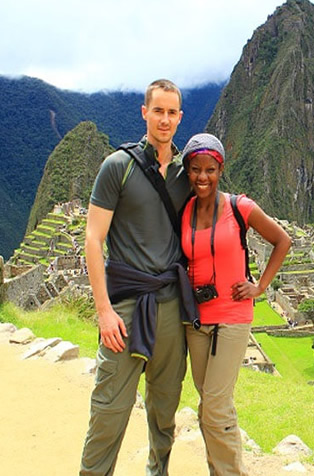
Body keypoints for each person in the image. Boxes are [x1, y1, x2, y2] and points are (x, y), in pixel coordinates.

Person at [80, 79, 193, 475]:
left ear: (180, 117)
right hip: (125, 308)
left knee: (164, 409)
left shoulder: (186, 174)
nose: (164, 119)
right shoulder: (117, 167)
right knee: (109, 408)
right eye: (157, 110)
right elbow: (93, 239)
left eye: (171, 112)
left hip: (169, 308)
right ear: (144, 112)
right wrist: (104, 312)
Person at [181, 133, 291, 475]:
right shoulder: (183, 211)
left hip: (233, 314)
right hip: (196, 319)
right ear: (187, 171)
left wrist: (260, 286)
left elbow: (281, 240)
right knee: (211, 405)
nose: (203, 177)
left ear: (221, 169)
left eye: (210, 169)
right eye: (196, 169)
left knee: (214, 404)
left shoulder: (238, 207)